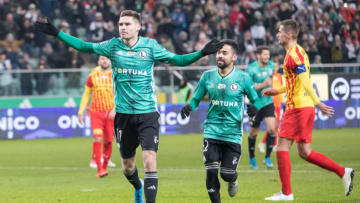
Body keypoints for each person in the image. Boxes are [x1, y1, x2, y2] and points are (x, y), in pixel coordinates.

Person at [35, 10, 223, 203]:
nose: (123, 28)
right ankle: (137, 186)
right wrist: (57, 32)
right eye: (121, 24)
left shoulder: (150, 46)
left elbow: (178, 60)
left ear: (138, 27)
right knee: (127, 167)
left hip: (148, 113)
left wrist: (202, 53)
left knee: (150, 160)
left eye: (127, 24)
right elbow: (84, 46)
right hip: (123, 117)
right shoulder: (112, 45)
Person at [263, 19, 354, 201]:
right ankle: (343, 172)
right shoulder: (299, 52)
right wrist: (278, 90)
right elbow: (295, 82)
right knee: (305, 152)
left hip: (297, 107)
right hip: (304, 107)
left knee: (281, 147)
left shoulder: (293, 55)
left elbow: (305, 80)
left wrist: (318, 102)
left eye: (280, 32)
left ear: (289, 35)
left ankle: (286, 193)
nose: (277, 35)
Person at [180, 39, 262, 203]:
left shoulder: (243, 78)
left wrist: (255, 108)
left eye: (224, 53)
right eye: (218, 53)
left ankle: (233, 179)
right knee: (211, 172)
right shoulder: (207, 76)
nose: (220, 56)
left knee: (226, 174)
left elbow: (256, 100)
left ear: (234, 57)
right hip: (211, 131)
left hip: (232, 134)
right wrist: (189, 106)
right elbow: (196, 98)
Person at [78, 56, 115, 178]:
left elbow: (121, 92)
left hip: (110, 113)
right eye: (102, 59)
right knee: (98, 138)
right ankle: (99, 169)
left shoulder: (115, 75)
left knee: (109, 141)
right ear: (99, 61)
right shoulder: (93, 75)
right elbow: (86, 93)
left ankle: (104, 167)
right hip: (96, 112)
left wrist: (116, 109)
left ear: (110, 61)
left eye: (107, 59)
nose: (104, 61)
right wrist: (81, 111)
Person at [246, 46, 277, 169]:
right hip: (255, 103)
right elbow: (249, 87)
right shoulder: (251, 68)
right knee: (254, 132)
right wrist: (264, 84)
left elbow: (274, 70)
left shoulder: (270, 65)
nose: (267, 57)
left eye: (268, 55)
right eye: (265, 55)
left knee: (272, 129)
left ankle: (267, 157)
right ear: (258, 55)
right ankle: (252, 157)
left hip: (268, 102)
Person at [258, 61, 284, 154]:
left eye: (276, 66)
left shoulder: (279, 76)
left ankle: (269, 144)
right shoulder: (268, 77)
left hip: (278, 104)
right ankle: (269, 144)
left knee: (275, 126)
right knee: (273, 126)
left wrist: (283, 101)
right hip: (271, 104)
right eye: (273, 66)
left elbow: (280, 90)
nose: (275, 68)